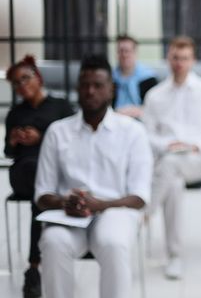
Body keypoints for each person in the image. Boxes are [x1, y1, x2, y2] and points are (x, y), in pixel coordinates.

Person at [35, 55, 153, 298]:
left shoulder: (133, 132)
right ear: (77, 89)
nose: (90, 91)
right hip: (68, 216)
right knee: (52, 241)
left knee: (113, 242)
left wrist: (101, 204)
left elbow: (140, 196)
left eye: (98, 85)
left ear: (111, 90)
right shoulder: (58, 132)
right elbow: (42, 193)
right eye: (85, 85)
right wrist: (64, 202)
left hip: (115, 211)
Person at [142, 36, 201, 279]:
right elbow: (146, 135)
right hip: (168, 161)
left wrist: (195, 145)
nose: (179, 63)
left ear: (193, 60)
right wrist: (168, 144)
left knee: (170, 167)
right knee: (173, 180)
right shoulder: (155, 95)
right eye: (175, 58)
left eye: (185, 58)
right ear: (168, 59)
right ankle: (174, 255)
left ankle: (144, 213)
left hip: (198, 160)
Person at [4, 55, 74, 298]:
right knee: (37, 183)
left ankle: (34, 268)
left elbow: (73, 143)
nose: (22, 85)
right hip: (25, 171)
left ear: (38, 78)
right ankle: (38, 264)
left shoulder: (61, 106)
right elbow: (8, 153)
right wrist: (14, 141)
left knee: (41, 194)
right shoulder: (15, 113)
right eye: (16, 83)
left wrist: (42, 138)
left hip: (54, 173)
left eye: (25, 78)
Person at [113, 35, 158, 118]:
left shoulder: (148, 78)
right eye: (121, 51)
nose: (124, 55)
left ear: (135, 52)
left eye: (127, 51)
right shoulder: (110, 78)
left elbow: (155, 106)